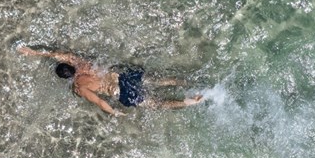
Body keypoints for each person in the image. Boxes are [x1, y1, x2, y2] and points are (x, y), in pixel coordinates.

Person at [17, 45, 202, 116]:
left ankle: (190, 102)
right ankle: (188, 83)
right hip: (121, 77)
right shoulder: (81, 63)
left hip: (120, 92)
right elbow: (58, 54)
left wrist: (114, 112)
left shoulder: (79, 86)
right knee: (159, 81)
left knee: (157, 104)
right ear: (70, 66)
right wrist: (35, 52)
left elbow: (99, 101)